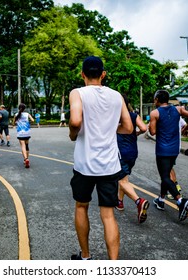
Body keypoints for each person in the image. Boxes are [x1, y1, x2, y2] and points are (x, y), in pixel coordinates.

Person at [69, 56, 133, 260]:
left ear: (83, 74)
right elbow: (129, 128)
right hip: (110, 165)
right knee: (108, 215)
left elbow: (76, 120)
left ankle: (86, 257)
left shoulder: (77, 93)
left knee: (81, 206)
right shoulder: (117, 96)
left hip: (84, 166)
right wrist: (109, 129)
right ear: (103, 74)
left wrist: (73, 134)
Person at [148, 90, 188, 221]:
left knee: (165, 177)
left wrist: (158, 124)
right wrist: (185, 129)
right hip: (174, 148)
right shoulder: (178, 109)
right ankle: (161, 200)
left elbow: (152, 132)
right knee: (167, 174)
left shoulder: (155, 113)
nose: (154, 101)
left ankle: (180, 201)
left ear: (157, 99)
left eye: (154, 99)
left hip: (162, 149)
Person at [116, 95, 149, 224]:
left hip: (120, 153)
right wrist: (136, 134)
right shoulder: (133, 116)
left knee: (122, 181)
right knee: (124, 178)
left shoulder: (115, 117)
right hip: (133, 152)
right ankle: (119, 202)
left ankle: (138, 201)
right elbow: (144, 128)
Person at [168, 115, 187, 200]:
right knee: (170, 167)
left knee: (167, 169)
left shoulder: (166, 116)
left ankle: (174, 192)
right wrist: (183, 131)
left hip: (168, 146)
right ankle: (176, 185)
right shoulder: (178, 117)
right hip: (176, 146)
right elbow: (185, 125)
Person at [13, 103, 34, 168]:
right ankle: (27, 158)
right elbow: (33, 120)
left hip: (20, 133)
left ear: (18, 108)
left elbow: (13, 123)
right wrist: (27, 122)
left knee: (23, 146)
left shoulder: (16, 115)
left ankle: (26, 159)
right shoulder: (27, 114)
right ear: (25, 108)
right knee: (27, 145)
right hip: (27, 132)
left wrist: (17, 123)